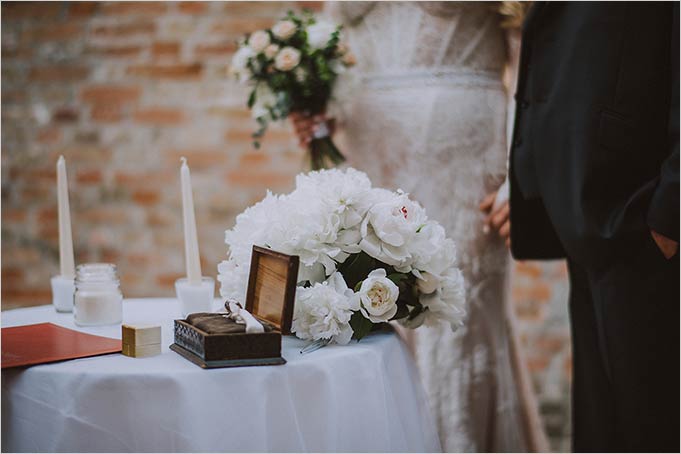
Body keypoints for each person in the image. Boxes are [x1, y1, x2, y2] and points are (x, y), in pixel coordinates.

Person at [292, 2, 548, 451]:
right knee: (367, 303)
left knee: (454, 309)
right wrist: (320, 109)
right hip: (368, 148)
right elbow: (336, 41)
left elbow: (530, 57)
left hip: (462, 158)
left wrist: (521, 174)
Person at [495, 2, 679, 452]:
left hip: (642, 220)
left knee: (653, 428)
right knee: (605, 430)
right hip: (593, 221)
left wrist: (669, 216)